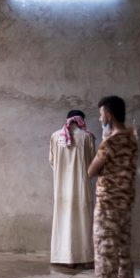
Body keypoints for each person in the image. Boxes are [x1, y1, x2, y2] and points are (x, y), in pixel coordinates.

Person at [85, 96, 138, 278]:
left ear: (109, 114)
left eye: (100, 114)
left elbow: (91, 170)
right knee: (123, 251)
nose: (99, 118)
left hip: (107, 207)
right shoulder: (131, 139)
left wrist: (104, 140)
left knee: (105, 253)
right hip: (125, 206)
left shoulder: (110, 144)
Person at [49, 109, 96, 267]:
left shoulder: (56, 137)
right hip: (81, 188)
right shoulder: (87, 137)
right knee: (83, 222)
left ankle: (67, 259)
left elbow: (52, 161)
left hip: (62, 188)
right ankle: (86, 258)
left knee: (64, 222)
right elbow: (91, 163)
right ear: (81, 120)